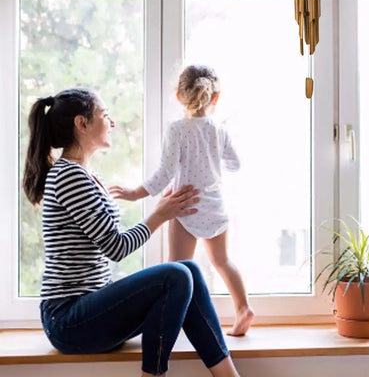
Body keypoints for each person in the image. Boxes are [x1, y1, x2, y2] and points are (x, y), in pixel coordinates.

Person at [23, 87, 242, 377]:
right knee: (175, 275)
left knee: (188, 269)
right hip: (68, 320)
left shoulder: (84, 175)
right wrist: (160, 215)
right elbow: (116, 247)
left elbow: (109, 242)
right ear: (82, 123)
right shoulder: (68, 176)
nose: (112, 123)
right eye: (105, 115)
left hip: (88, 311)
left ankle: (229, 376)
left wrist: (162, 210)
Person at [109, 65, 254, 336]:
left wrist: (134, 193)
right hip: (215, 206)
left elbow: (164, 174)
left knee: (177, 271)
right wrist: (212, 159)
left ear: (179, 96)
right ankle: (243, 308)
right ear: (215, 98)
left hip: (185, 207)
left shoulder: (176, 130)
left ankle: (175, 324)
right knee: (222, 261)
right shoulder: (219, 130)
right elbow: (235, 164)